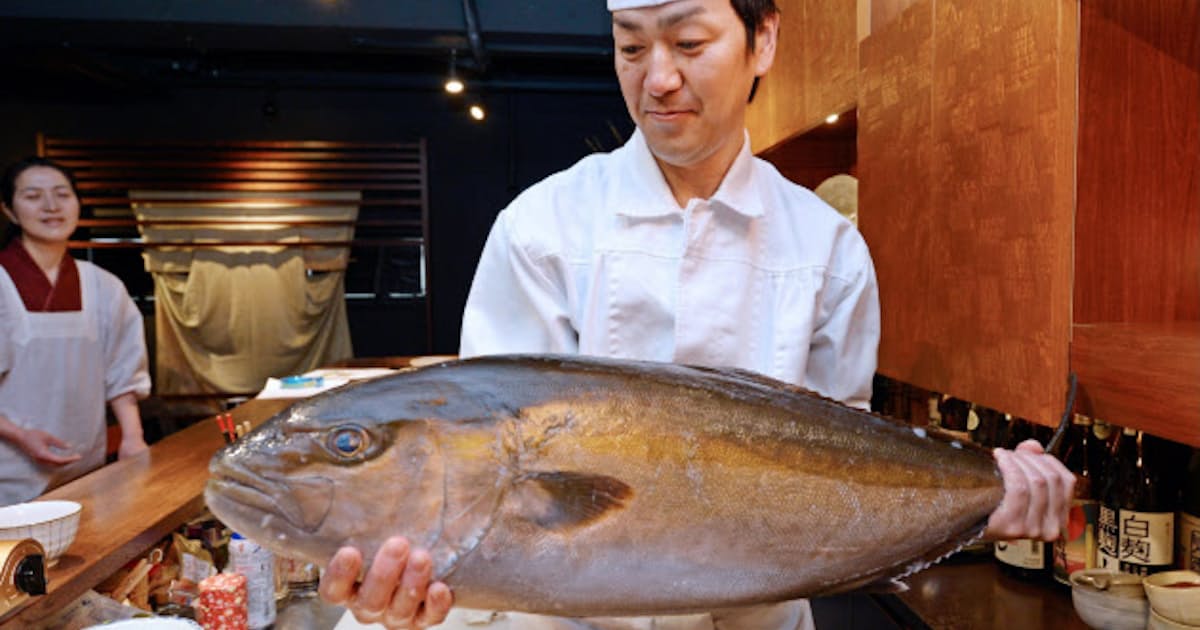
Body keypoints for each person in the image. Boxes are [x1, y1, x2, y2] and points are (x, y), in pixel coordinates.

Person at [319, 0, 1076, 628]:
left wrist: (976, 504)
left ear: (763, 39)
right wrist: (422, 595)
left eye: (688, 42)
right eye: (630, 48)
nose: (658, 79)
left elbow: (845, 468)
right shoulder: (541, 228)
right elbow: (484, 475)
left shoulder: (828, 248)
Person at [0, 156, 151, 506]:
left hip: (85, 468)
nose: (51, 206)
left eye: (62, 194)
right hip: (10, 474)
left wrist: (132, 438)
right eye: (33, 196)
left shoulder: (102, 285)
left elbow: (123, 372)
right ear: (9, 210)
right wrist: (21, 436)